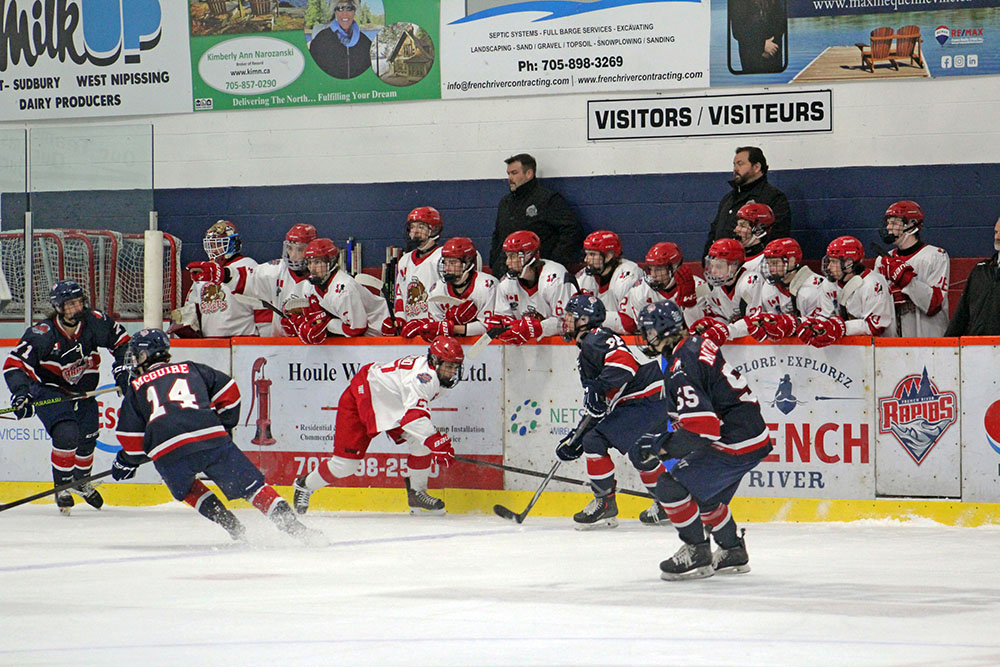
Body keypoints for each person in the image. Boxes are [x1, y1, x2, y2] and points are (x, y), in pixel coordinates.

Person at [112, 329, 323, 544]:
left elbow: (133, 445)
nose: (136, 360)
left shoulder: (136, 388)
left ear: (146, 356)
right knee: (253, 487)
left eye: (137, 355)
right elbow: (230, 393)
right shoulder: (192, 368)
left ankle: (231, 525)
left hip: (170, 454)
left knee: (188, 489)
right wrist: (223, 425)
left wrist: (126, 462)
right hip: (211, 439)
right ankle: (295, 528)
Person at [635, 300, 772, 580]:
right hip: (750, 433)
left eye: (648, 331)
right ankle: (733, 551)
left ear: (663, 331)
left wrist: (662, 447)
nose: (645, 337)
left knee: (670, 486)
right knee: (703, 495)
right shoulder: (693, 345)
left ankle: (696, 552)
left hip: (735, 439)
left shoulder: (681, 364)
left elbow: (703, 428)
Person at [292, 336, 463, 515]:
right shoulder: (423, 379)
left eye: (455, 367)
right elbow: (414, 417)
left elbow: (412, 415)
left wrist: (433, 442)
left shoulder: (433, 371)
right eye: (449, 367)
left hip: (392, 403)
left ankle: (417, 493)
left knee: (420, 441)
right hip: (362, 399)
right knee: (345, 466)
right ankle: (304, 485)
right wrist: (437, 442)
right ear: (435, 361)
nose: (452, 372)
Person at [3, 280, 130, 514]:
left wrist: (123, 371)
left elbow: (123, 344)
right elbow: (14, 365)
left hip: (83, 392)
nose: (76, 308)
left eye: (78, 302)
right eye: (69, 305)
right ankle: (62, 486)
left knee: (88, 437)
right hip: (50, 391)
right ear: (58, 308)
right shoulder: (43, 334)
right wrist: (21, 395)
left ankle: (81, 481)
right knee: (66, 434)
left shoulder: (95, 322)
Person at [555, 294, 668, 529]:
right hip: (656, 398)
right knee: (641, 452)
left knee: (594, 441)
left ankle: (604, 503)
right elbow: (600, 406)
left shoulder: (593, 340)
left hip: (643, 400)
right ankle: (667, 502)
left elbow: (624, 365)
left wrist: (597, 390)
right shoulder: (595, 342)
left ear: (584, 320)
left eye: (570, 316)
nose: (565, 320)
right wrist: (575, 438)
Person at [187, 223, 316, 337]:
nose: (293, 255)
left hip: (321, 348)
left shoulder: (324, 274)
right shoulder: (275, 268)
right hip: (279, 344)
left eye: (299, 249)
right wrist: (223, 274)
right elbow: (249, 279)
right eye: (290, 248)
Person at [489, 153, 582, 278]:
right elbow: (498, 236)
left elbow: (571, 230)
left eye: (514, 173)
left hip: (540, 276)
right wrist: (495, 266)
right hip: (507, 274)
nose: (510, 178)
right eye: (508, 174)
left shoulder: (548, 199)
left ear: (529, 174)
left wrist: (553, 262)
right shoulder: (505, 203)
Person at [284, 238, 394, 343]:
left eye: (317, 262)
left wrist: (328, 324)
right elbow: (315, 317)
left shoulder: (344, 290)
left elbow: (357, 329)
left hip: (381, 331)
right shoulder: (310, 286)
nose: (312, 268)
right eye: (309, 262)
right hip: (358, 337)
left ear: (331, 262)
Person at [171, 220, 263, 338]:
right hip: (210, 343)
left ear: (232, 243)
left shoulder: (248, 265)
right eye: (212, 245)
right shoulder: (204, 270)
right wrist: (185, 324)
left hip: (244, 341)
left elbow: (261, 306)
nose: (214, 250)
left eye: (219, 244)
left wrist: (264, 338)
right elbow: (192, 307)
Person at [802, 235, 895, 347]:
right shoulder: (829, 284)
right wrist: (809, 325)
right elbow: (826, 317)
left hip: (881, 350)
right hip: (848, 350)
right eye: (830, 261)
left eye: (834, 261)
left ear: (849, 263)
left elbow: (876, 327)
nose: (829, 267)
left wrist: (842, 327)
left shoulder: (873, 283)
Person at [875, 200, 950, 337]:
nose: (889, 227)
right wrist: (888, 298)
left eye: (894, 223)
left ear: (911, 225)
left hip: (930, 342)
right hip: (893, 345)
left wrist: (906, 280)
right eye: (888, 223)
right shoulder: (883, 261)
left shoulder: (936, 256)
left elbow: (934, 304)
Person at [404, 237, 501, 341]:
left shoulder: (488, 286)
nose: (447, 268)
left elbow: (490, 327)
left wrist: (453, 328)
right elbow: (438, 328)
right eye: (445, 263)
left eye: (452, 263)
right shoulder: (437, 289)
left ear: (467, 263)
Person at [490, 230, 578, 345]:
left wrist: (535, 328)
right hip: (525, 352)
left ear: (530, 255)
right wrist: (502, 325)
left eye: (513, 256)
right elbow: (504, 319)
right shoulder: (506, 285)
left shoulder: (554, 278)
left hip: (559, 350)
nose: (508, 262)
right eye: (507, 256)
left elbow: (567, 322)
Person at [703, 147, 790, 258]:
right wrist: (707, 258)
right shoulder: (728, 198)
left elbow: (778, 238)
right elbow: (714, 231)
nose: (735, 169)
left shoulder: (774, 198)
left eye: (740, 164)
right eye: (734, 164)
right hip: (721, 267)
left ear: (756, 167)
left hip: (754, 267)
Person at [617, 241, 707, 332]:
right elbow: (647, 332)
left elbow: (699, 330)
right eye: (651, 269)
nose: (653, 275)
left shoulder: (701, 287)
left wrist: (689, 304)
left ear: (675, 267)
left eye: (659, 269)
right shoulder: (640, 291)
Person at [575, 231, 641, 333]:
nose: (586, 259)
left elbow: (630, 324)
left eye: (592, 254)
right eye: (586, 254)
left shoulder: (628, 274)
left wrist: (589, 318)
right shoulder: (583, 276)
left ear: (609, 255)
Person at [946, 217, 1000, 336]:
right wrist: (948, 345)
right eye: (996, 232)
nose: (997, 237)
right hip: (977, 347)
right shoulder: (980, 270)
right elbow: (962, 314)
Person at [395, 207, 446, 328]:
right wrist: (399, 318)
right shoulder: (404, 260)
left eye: (421, 227)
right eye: (412, 227)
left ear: (434, 230)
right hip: (410, 328)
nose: (415, 232)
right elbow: (400, 294)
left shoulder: (443, 257)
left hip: (435, 327)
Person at [308, 2, 372, 80]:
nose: (344, 13)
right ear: (335, 11)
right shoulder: (320, 40)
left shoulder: (366, 43)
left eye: (349, 8)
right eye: (340, 8)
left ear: (355, 11)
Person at [729, 0, 787, 74]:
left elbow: (781, 23)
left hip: (774, 52)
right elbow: (738, 31)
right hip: (751, 56)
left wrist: (772, 46)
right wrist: (762, 46)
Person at [730, 202, 776, 277]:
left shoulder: (765, 264)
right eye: (737, 225)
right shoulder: (730, 258)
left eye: (742, 225)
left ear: (759, 230)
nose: (736, 229)